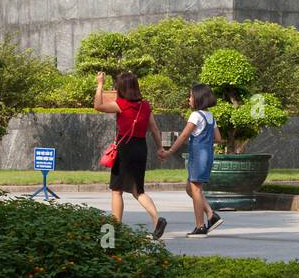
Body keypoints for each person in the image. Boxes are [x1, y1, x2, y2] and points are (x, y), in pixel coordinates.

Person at [94, 71, 167, 240]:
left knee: (117, 190)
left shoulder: (120, 104)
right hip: (141, 148)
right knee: (138, 190)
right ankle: (157, 219)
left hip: (124, 149)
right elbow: (154, 129)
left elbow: (98, 105)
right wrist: (160, 148)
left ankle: (115, 231)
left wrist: (100, 84)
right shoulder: (145, 106)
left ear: (121, 88)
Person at [159, 83, 222, 237]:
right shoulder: (210, 116)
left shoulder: (195, 115)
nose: (189, 99)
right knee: (191, 189)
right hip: (207, 155)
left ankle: (200, 226)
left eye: (191, 96)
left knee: (195, 189)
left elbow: (184, 135)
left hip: (198, 156)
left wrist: (170, 151)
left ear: (198, 98)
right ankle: (211, 215)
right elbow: (218, 138)